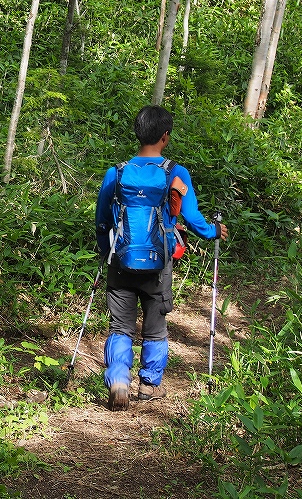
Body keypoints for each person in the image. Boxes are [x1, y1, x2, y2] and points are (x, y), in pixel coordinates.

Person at [94, 105, 228, 411]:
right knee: (155, 328)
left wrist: (107, 249)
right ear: (165, 137)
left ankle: (117, 378)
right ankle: (149, 385)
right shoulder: (174, 173)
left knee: (120, 327)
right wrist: (213, 231)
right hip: (158, 264)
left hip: (121, 259)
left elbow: (102, 219)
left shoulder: (116, 173)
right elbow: (192, 219)